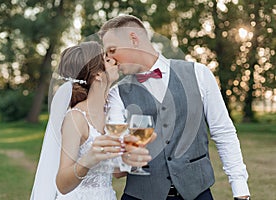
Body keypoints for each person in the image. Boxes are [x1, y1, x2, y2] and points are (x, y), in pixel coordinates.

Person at [99, 15, 251, 200]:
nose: (110, 60)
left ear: (134, 39)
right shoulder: (117, 93)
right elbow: (117, 155)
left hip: (198, 194)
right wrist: (124, 157)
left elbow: (223, 132)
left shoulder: (199, 74)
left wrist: (240, 190)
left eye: (112, 50)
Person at [30, 41, 151, 200]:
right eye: (107, 60)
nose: (115, 61)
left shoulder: (111, 113)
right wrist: (88, 159)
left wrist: (133, 153)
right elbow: (62, 184)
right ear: (98, 75)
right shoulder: (75, 118)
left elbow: (116, 172)